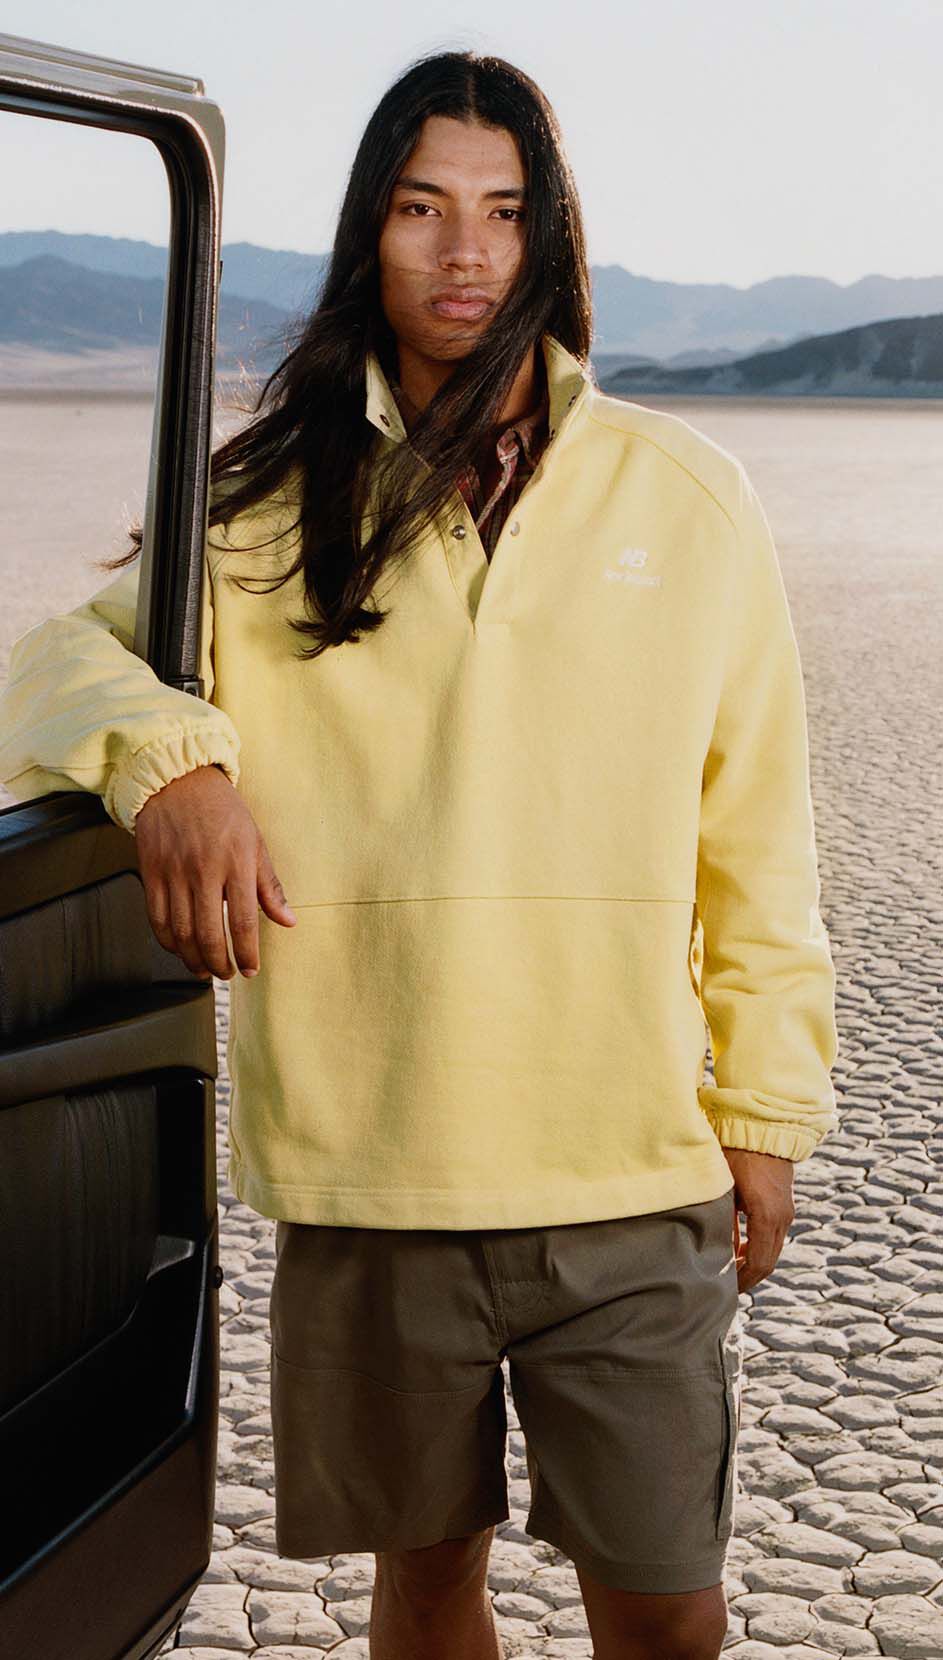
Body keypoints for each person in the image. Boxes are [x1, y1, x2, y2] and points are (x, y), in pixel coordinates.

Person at [0, 49, 839, 1660]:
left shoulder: (690, 496)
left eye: (505, 211)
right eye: (423, 207)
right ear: (369, 235)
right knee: (427, 1587)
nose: (466, 255)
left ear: (552, 238)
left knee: (671, 1616)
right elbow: (57, 662)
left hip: (631, 1162)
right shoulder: (262, 506)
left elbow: (760, 841)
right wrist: (174, 764)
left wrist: (767, 1109)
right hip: (374, 1168)